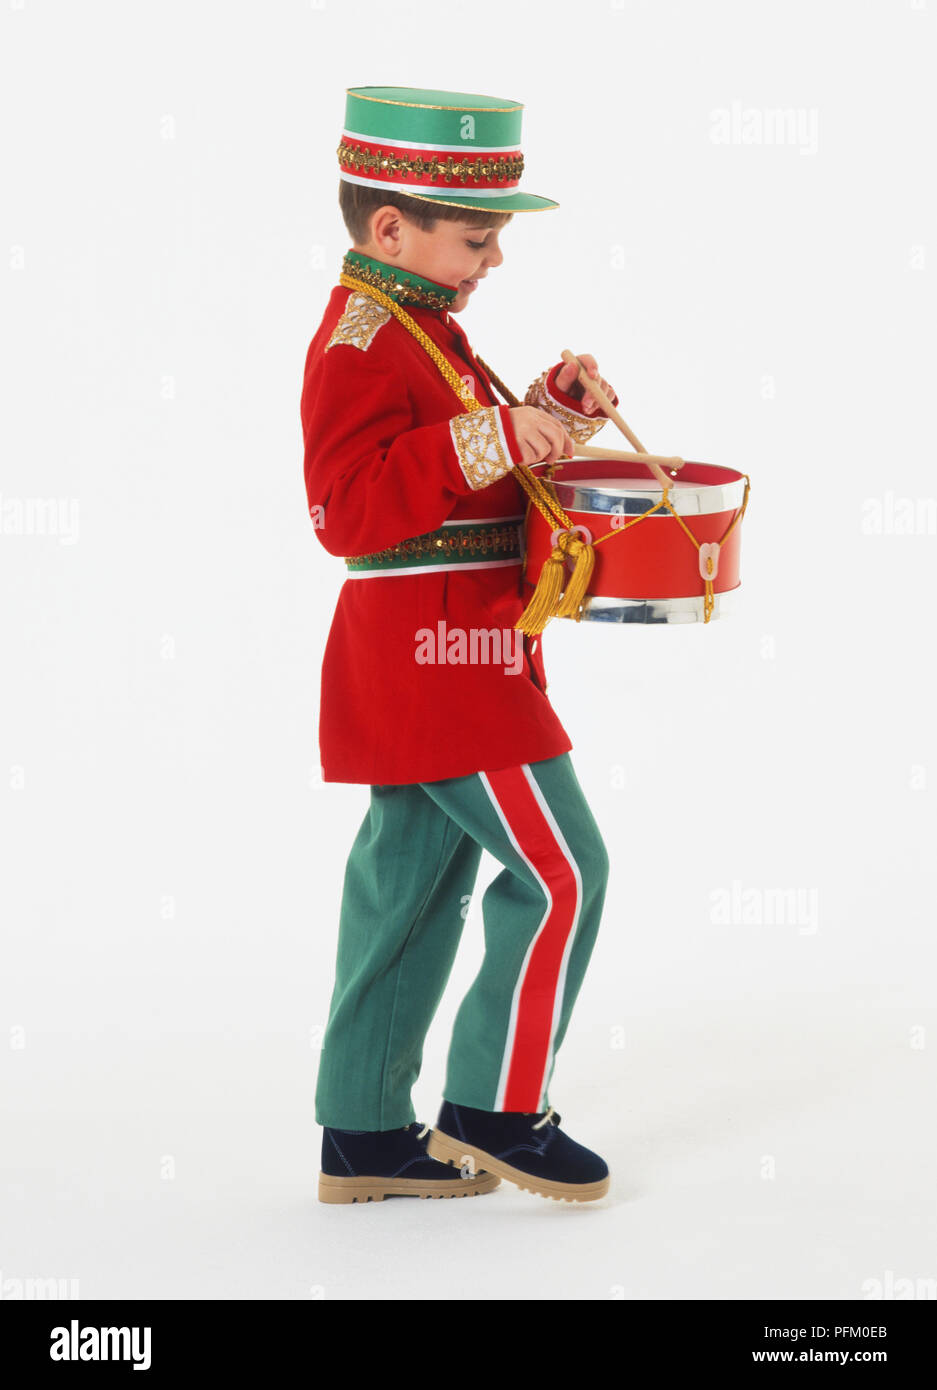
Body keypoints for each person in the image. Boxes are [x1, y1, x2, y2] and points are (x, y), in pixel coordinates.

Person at [302, 87, 618, 1204]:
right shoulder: (359, 339)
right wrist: (490, 432)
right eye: (476, 236)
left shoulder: (422, 327)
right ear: (391, 230)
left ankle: (364, 1134)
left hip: (446, 652)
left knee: (408, 892)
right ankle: (496, 1106)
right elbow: (345, 511)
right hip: (438, 659)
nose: (492, 259)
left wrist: (543, 411)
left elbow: (456, 470)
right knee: (565, 872)